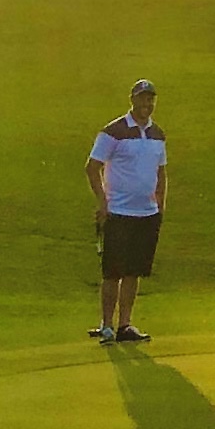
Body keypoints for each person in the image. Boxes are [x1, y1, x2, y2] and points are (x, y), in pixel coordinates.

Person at [88, 78, 168, 344]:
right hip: (118, 212)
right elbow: (92, 166)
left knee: (134, 271)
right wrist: (102, 201)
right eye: (143, 98)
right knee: (112, 271)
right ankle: (106, 325)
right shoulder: (114, 131)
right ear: (132, 100)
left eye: (151, 99)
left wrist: (160, 206)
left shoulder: (158, 134)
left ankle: (125, 325)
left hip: (146, 213)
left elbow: (161, 172)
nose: (147, 103)